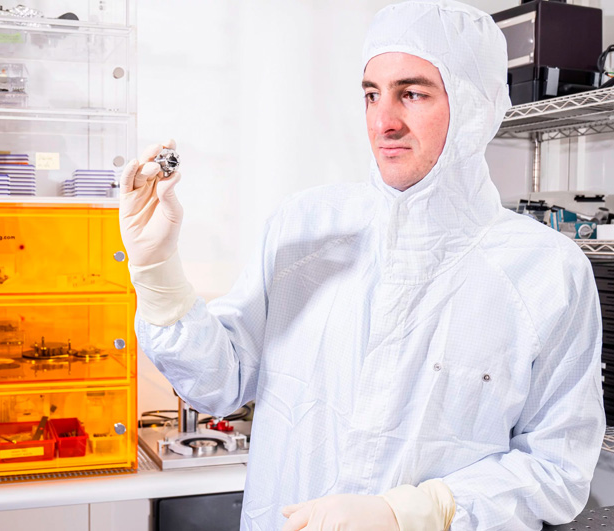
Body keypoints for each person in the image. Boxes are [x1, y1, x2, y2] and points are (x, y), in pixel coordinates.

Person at [118, 0, 607, 529]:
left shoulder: (546, 271)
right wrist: (159, 273)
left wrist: (415, 513)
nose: (383, 121)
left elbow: (557, 469)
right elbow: (220, 382)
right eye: (371, 93)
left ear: (476, 108)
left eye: (412, 93)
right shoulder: (307, 228)